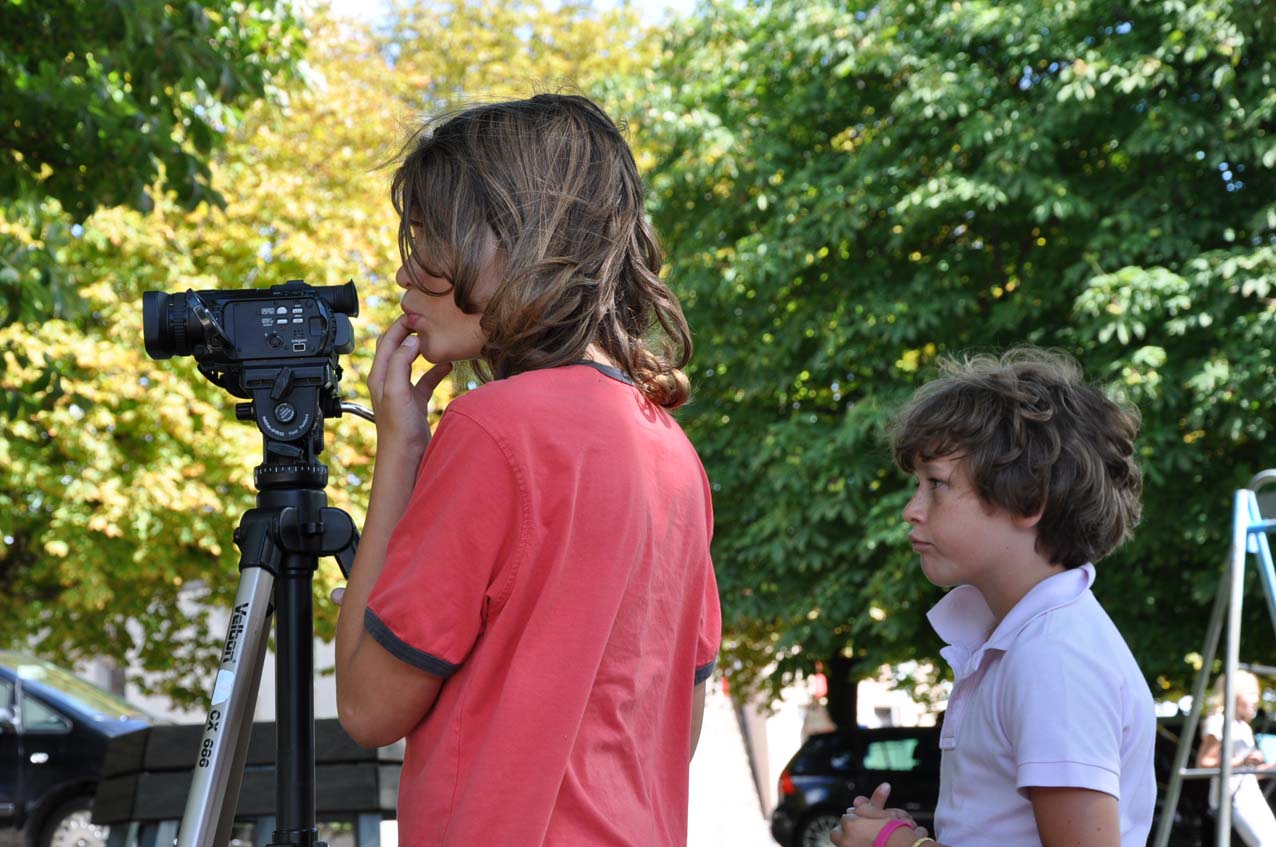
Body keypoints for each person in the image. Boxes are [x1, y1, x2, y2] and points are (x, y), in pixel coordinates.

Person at [332, 94, 721, 847]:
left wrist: (400, 451)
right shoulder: (673, 451)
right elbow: (680, 724)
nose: (407, 270)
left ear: (518, 239)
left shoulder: (492, 428)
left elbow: (367, 706)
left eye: (434, 238)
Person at [831, 348, 1155, 847]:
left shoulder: (1053, 658)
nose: (911, 510)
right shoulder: (1021, 642)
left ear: (1027, 499)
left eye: (936, 484)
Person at [1197, 670, 1276, 845]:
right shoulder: (1219, 722)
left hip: (1249, 795)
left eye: (1257, 694)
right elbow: (1203, 763)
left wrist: (1270, 767)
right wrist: (1243, 761)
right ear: (1233, 694)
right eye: (1251, 694)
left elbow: (1248, 774)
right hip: (1231, 798)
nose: (1256, 700)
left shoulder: (1243, 727)